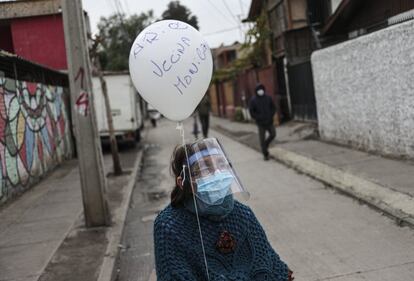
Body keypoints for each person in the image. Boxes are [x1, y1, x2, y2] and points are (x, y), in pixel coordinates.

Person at [154, 138, 293, 281]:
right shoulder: (168, 226)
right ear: (182, 183)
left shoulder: (243, 214)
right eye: (204, 169)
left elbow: (268, 264)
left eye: (221, 164)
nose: (217, 173)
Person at [249, 84, 276, 160]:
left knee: (273, 134)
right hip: (260, 123)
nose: (260, 91)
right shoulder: (253, 100)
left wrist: (271, 115)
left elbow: (273, 108)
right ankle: (265, 154)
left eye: (261, 89)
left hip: (269, 121)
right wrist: (257, 117)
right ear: (256, 91)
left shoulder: (268, 98)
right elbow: (251, 111)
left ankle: (266, 144)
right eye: (258, 90)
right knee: (262, 139)